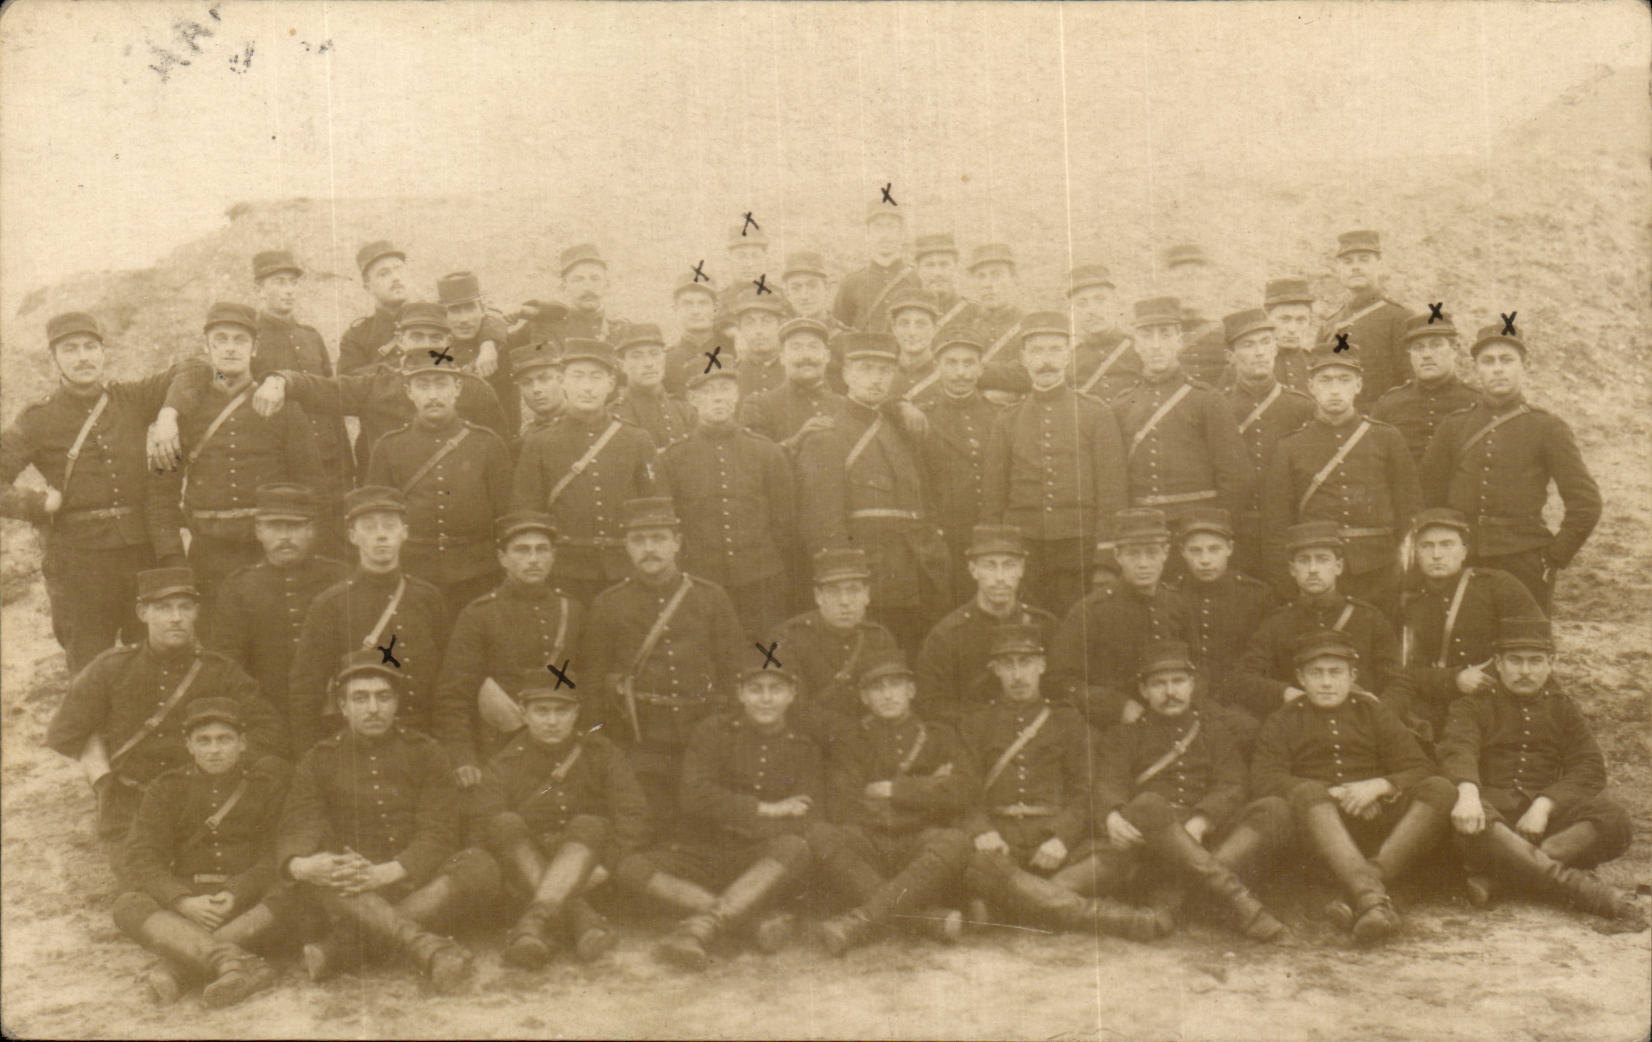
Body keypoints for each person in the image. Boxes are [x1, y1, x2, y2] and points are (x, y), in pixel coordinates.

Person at [276, 650, 499, 993]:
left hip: (413, 878)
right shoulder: (318, 759)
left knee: (480, 864)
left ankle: (343, 949)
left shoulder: (426, 752)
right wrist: (303, 865)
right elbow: (298, 826)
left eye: (383, 697)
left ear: (397, 703)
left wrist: (388, 871)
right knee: (321, 874)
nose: (373, 708)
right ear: (342, 706)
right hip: (350, 884)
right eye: (360, 698)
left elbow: (439, 831)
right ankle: (427, 948)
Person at [46, 567, 283, 852]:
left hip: (200, 802)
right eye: (163, 608)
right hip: (130, 805)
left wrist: (221, 765)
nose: (176, 618)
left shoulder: (221, 671)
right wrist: (103, 780)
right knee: (140, 885)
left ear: (197, 612)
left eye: (185, 607)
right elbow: (64, 734)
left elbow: (270, 731)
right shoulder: (111, 667)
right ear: (142, 613)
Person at [615, 654, 823, 971]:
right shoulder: (712, 732)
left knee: (796, 848)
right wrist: (767, 809)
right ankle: (748, 919)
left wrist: (742, 819)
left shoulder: (804, 746)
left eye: (775, 689)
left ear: (792, 694)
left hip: (758, 858)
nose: (766, 699)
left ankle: (702, 927)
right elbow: (695, 797)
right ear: (740, 693)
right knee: (630, 866)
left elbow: (804, 816)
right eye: (756, 689)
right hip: (703, 849)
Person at [1438, 618, 1646, 931]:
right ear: (1498, 663)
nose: (1525, 671)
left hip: (1545, 824)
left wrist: (1544, 805)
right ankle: (1590, 893)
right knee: (1474, 816)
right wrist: (1468, 795)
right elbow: (1459, 750)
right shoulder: (1471, 706)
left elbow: (1589, 766)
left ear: (1550, 664)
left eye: (1536, 662)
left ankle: (1502, 879)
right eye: (1515, 661)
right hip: (1490, 821)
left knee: (1612, 816)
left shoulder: (1562, 708)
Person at [0, 312, 180, 671]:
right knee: (88, 663)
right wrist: (36, 503)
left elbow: (197, 371)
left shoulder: (131, 398)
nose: (82, 357)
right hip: (78, 563)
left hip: (140, 553)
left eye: (90, 347)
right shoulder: (37, 418)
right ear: (54, 359)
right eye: (70, 349)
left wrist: (170, 414)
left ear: (103, 352)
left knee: (149, 657)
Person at [1250, 630, 1456, 945]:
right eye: (1316, 674)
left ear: (1352, 676)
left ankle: (1361, 891)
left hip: (1377, 822)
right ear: (1301, 679)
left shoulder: (1373, 712)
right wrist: (1330, 792)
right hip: (1318, 828)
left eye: (1335, 673)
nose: (1327, 682)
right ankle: (1373, 899)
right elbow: (1264, 777)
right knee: (1306, 791)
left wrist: (1381, 785)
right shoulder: (1283, 719)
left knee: (1440, 788)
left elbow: (1419, 766)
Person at [960, 624, 1163, 940]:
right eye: (1008, 665)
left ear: (1042, 666)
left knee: (1118, 854)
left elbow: (1085, 790)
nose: (1018, 675)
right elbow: (963, 790)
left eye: (1026, 663)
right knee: (977, 863)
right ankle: (1118, 920)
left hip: (1054, 844)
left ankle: (1021, 902)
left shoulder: (1067, 720)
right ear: (995, 670)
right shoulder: (976, 723)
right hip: (1001, 843)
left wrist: (1063, 838)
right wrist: (982, 830)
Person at [1090, 641, 1288, 941]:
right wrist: (1112, 814)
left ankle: (1181, 898)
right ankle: (1240, 903)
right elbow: (1108, 783)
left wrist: (1202, 820)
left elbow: (1232, 784)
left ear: (1192, 685)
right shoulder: (1125, 735)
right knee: (1149, 803)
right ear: (1143, 691)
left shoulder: (1214, 731)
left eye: (1178, 682)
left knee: (1274, 808)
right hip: (1153, 840)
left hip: (1206, 835)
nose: (1170, 692)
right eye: (1159, 684)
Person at [581, 498, 746, 838]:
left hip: (703, 734)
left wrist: (726, 727)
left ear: (677, 543)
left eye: (658, 538)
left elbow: (734, 671)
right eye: (639, 541)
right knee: (646, 828)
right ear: (627, 546)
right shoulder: (608, 604)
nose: (649, 549)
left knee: (708, 828)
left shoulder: (711, 598)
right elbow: (593, 681)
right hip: (640, 739)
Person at [112, 697, 289, 1007]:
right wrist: (181, 900)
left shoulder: (266, 787)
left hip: (247, 903)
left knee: (293, 896)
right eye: (203, 741)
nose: (214, 749)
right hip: (189, 902)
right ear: (189, 746)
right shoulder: (166, 788)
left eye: (224, 739)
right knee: (129, 904)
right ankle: (235, 964)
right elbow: (141, 857)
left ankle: (179, 968)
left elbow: (275, 855)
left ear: (242, 743)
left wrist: (236, 892)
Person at [150, 302, 324, 606]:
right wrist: (174, 560)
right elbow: (160, 495)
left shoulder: (284, 408)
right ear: (207, 346)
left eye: (240, 340)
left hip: (269, 554)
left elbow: (312, 486)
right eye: (221, 339)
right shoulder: (186, 412)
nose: (230, 348)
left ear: (254, 348)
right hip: (207, 557)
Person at [1420, 322, 1600, 612]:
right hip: (1464, 560)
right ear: (1476, 368)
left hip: (1525, 560)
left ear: (1524, 365)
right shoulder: (1454, 425)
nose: (1498, 369)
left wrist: (1552, 557)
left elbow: (1586, 503)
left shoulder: (1547, 427)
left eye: (1507, 360)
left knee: (1524, 645)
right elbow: (1428, 495)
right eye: (1488, 362)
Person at [476, 670, 650, 968]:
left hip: (590, 873)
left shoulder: (602, 753)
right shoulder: (504, 763)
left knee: (590, 824)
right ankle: (581, 919)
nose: (552, 721)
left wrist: (606, 865)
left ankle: (533, 927)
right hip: (523, 875)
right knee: (504, 823)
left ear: (576, 713)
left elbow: (633, 814)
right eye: (542, 711)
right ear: (524, 712)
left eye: (562, 711)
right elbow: (486, 828)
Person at [809, 651, 976, 955]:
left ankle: (860, 922)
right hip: (869, 842)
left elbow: (964, 790)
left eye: (895, 685)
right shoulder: (850, 738)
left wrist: (895, 790)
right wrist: (931, 787)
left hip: (920, 842)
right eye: (877, 688)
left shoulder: (939, 735)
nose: (887, 695)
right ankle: (923, 919)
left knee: (958, 842)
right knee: (819, 834)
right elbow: (843, 803)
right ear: (864, 697)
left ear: (911, 691)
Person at [795, 333, 951, 651]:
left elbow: (924, 501)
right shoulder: (827, 435)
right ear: (846, 375)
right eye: (866, 369)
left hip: (917, 570)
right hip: (869, 577)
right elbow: (822, 524)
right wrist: (845, 583)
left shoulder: (899, 427)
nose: (876, 379)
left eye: (883, 371)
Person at [246, 301, 508, 484]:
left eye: (435, 338)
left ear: (448, 344)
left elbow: (499, 455)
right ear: (401, 341)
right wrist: (279, 379)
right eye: (417, 336)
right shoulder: (374, 385)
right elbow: (322, 388)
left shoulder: (475, 390)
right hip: (392, 508)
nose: (426, 346)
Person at [980, 311, 1128, 617]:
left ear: (1068, 355)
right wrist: (994, 555)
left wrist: (1105, 555)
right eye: (1036, 350)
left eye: (1054, 349)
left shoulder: (1095, 413)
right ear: (1023, 358)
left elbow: (1112, 491)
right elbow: (993, 497)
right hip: (1023, 550)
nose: (1045, 360)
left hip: (1079, 548)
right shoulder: (1007, 419)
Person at [1261, 352, 1420, 617]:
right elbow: (1276, 525)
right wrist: (1287, 585)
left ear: (1359, 385)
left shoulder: (1387, 438)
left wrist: (1408, 576)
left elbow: (1410, 512)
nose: (1335, 389)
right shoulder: (1290, 446)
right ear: (1310, 387)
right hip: (1317, 572)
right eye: (1325, 380)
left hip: (1380, 571)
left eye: (1344, 380)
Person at [288, 486, 446, 753]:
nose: (381, 535)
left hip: (423, 739)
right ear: (353, 536)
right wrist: (311, 755)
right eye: (369, 527)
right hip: (355, 745)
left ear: (404, 532)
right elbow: (306, 687)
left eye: (389, 526)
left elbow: (447, 681)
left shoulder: (427, 597)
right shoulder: (331, 604)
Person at [433, 510, 583, 783]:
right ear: (502, 558)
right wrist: (464, 758)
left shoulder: (573, 610)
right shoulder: (479, 615)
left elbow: (589, 687)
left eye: (542, 550)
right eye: (522, 551)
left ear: (553, 555)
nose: (533, 559)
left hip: (563, 750)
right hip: (499, 748)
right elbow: (453, 696)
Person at [1232, 521, 1417, 736]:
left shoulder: (1368, 617)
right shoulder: (1277, 623)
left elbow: (1399, 681)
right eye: (1304, 561)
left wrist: (1380, 711)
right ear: (1292, 570)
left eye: (1322, 559)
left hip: (1361, 726)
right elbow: (1243, 679)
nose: (1313, 569)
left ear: (1338, 566)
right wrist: (1288, 693)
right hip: (1299, 727)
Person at [510, 339, 660, 605]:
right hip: (565, 572)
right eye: (578, 377)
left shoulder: (636, 439)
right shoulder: (540, 442)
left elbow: (655, 509)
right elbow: (527, 512)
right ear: (562, 381)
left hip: (625, 570)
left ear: (611, 384)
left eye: (597, 377)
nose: (588, 387)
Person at [659, 355, 796, 639]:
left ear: (736, 395)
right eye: (708, 392)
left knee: (763, 658)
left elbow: (784, 522)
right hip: (700, 581)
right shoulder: (674, 458)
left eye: (724, 389)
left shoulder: (766, 452)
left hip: (761, 583)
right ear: (692, 399)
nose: (717, 398)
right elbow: (671, 525)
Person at [364, 352, 514, 612]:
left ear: (457, 388)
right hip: (413, 574)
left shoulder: (487, 444)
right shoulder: (389, 447)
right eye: (423, 386)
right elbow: (376, 517)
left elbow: (507, 516)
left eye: (441, 384)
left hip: (478, 573)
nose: (432, 395)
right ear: (409, 391)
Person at [208, 484, 347, 736]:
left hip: (333, 712)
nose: (284, 537)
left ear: (311, 530)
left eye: (293, 527)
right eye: (274, 527)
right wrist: (258, 715)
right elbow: (228, 662)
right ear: (259, 531)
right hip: (266, 715)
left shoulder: (339, 578)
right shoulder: (239, 587)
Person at [1112, 297, 1253, 537]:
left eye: (1165, 334)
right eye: (1146, 335)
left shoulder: (1207, 399)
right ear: (1135, 344)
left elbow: (1235, 476)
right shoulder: (1122, 404)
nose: (1156, 345)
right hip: (1144, 531)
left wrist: (1217, 531)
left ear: (1179, 341)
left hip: (1198, 529)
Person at [1047, 509, 1196, 731]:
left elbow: (1201, 664)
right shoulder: (1090, 611)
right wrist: (1116, 706)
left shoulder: (1178, 604)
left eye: (1152, 553)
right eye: (1134, 554)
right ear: (1118, 556)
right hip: (1115, 726)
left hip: (1174, 716)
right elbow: (1058, 681)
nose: (1143, 564)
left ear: (1166, 552)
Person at [1398, 508, 1541, 736]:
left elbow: (1535, 643)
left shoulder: (1498, 585)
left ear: (1464, 551)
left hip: (1500, 699)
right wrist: (1454, 680)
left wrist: (1488, 677)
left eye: (1447, 545)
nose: (1437, 554)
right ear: (1416, 552)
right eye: (1427, 546)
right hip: (1441, 703)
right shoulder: (1412, 602)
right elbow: (1409, 672)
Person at [249, 250, 350, 556]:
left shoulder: (311, 337)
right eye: (279, 282)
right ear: (259, 289)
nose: (289, 289)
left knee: (333, 549)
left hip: (330, 463)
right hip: (284, 468)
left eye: (292, 282)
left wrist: (347, 465)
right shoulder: (250, 340)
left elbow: (333, 401)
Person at [914, 524, 1059, 728]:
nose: (999, 577)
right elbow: (931, 703)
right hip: (974, 740)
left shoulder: (1045, 626)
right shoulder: (947, 634)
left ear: (1021, 569)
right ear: (973, 570)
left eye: (1008, 565)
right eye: (989, 566)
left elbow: (1060, 689)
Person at [764, 548, 900, 745]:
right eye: (834, 591)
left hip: (867, 745)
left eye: (853, 590)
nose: (844, 601)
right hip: (806, 745)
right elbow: (791, 707)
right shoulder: (787, 637)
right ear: (818, 596)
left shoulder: (879, 638)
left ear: (867, 595)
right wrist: (849, 734)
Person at [1170, 507, 1277, 749]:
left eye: (1214, 549)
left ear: (1230, 548)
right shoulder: (1170, 596)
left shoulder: (1256, 595)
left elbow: (1262, 662)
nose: (1205, 560)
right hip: (1186, 701)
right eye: (1195, 551)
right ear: (1182, 553)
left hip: (1242, 700)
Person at [1220, 307, 1315, 579]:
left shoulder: (1302, 406)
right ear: (1231, 356)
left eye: (1265, 342)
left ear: (1275, 348)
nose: (1260, 352)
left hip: (1290, 528)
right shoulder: (1218, 406)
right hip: (1238, 528)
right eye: (1248, 345)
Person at [914, 335, 1000, 602]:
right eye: (951, 363)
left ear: (980, 369)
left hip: (993, 532)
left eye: (968, 363)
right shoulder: (922, 417)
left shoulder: (1000, 415)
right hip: (946, 538)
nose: (960, 373)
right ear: (938, 367)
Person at [1318, 230, 1413, 406]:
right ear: (1339, 270)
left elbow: (1410, 384)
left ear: (1379, 265)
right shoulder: (1329, 325)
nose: (1355, 267)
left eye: (1364, 259)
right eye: (1348, 262)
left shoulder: (1400, 318)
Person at [1370, 312, 1481, 463]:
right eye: (1418, 348)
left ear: (1454, 349)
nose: (1426, 355)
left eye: (1436, 345)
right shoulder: (1389, 404)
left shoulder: (1478, 402)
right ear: (1409, 354)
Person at [738, 317, 844, 451]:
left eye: (813, 347)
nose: (806, 355)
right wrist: (796, 441)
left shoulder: (843, 406)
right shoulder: (758, 406)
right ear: (782, 357)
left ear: (827, 356)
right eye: (796, 347)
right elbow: (752, 461)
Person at [438, 270, 520, 435]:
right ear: (443, 315)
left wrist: (489, 342)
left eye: (470, 308)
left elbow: (556, 313)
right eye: (454, 310)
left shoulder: (503, 344)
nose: (464, 319)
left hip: (504, 445)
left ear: (483, 310)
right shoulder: (438, 354)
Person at [515, 243, 629, 347]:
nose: (587, 287)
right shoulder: (545, 327)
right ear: (564, 286)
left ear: (607, 284)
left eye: (595, 279)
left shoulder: (623, 331)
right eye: (578, 279)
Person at [833, 201, 918, 333]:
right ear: (868, 234)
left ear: (901, 233)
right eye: (878, 227)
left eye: (891, 227)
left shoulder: (916, 279)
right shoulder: (851, 283)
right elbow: (840, 333)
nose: (885, 235)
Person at [960, 244, 1029, 397]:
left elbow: (1027, 376)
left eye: (996, 275)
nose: (987, 284)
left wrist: (975, 370)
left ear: (1014, 279)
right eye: (981, 276)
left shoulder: (1029, 328)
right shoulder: (968, 328)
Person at [613, 323, 696, 449]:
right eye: (637, 356)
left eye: (654, 353)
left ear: (664, 358)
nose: (648, 363)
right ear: (622, 364)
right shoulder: (615, 415)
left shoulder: (684, 410)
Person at [1160, 244, 1229, 388]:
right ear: (1166, 286)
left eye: (1199, 279)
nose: (1190, 287)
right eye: (1181, 280)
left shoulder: (1228, 334)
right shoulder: (1156, 338)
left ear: (1210, 285)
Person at [1067, 263, 1139, 402]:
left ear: (1115, 302)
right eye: (1082, 304)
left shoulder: (1138, 350)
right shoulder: (1069, 360)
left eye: (1100, 300)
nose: (1091, 310)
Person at [337, 239, 410, 375]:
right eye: (384, 273)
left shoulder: (432, 320)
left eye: (398, 269)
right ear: (368, 287)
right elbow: (349, 385)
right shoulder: (356, 337)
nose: (396, 278)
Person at [662, 271, 725, 398]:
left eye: (703, 303)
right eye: (687, 304)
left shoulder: (731, 351)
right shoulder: (665, 361)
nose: (695, 311)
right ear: (675, 308)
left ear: (715, 308)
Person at [731, 288, 788, 400]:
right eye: (750, 323)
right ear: (740, 328)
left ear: (780, 325)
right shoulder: (733, 374)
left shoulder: (793, 369)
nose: (758, 330)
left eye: (766, 321)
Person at [1261, 276, 1318, 391]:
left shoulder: (1316, 365)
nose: (1292, 329)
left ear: (1310, 322)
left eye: (1301, 320)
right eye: (1284, 319)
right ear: (1267, 319)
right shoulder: (1252, 365)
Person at [888, 289, 942, 401]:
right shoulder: (885, 376)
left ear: (935, 329)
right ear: (894, 328)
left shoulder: (946, 377)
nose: (912, 332)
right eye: (904, 324)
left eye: (920, 324)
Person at [913, 232, 972, 332]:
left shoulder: (973, 313)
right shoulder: (906, 313)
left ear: (956, 267)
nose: (937, 273)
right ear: (918, 269)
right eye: (930, 265)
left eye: (944, 264)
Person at [509, 341, 565, 445]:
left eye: (544, 379)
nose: (536, 389)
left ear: (561, 380)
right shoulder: (523, 442)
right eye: (526, 383)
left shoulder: (584, 426)